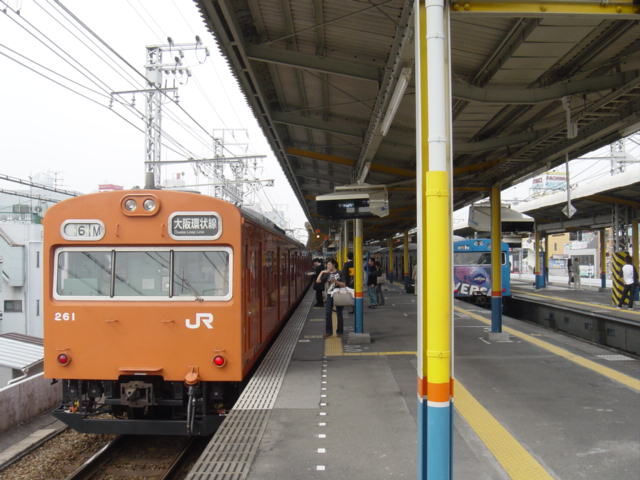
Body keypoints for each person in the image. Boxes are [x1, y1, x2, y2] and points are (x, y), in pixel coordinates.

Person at [317, 259, 345, 336]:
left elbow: (344, 284)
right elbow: (318, 281)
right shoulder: (327, 274)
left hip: (339, 294)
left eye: (329, 264)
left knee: (339, 313)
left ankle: (340, 332)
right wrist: (322, 272)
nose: (327, 266)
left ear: (334, 264)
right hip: (330, 295)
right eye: (327, 264)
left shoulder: (340, 273)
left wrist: (335, 281)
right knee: (328, 312)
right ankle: (328, 332)